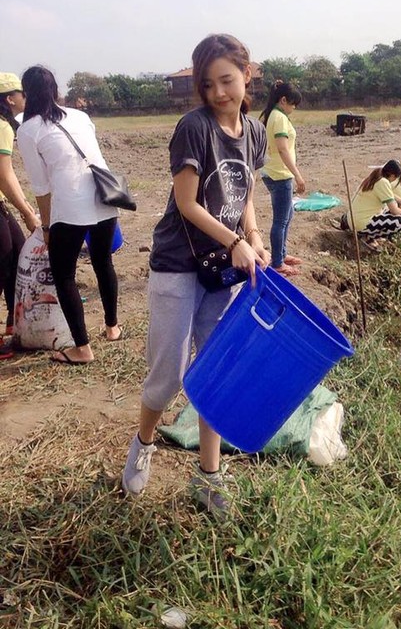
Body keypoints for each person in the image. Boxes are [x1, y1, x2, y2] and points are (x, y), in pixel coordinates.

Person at [121, 34, 269, 519]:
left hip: (221, 268)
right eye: (209, 84)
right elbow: (187, 204)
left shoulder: (254, 132)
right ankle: (144, 441)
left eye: (227, 80)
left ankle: (208, 476)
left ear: (247, 75)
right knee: (167, 377)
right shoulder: (194, 128)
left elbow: (243, 190)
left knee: (215, 371)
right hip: (178, 264)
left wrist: (253, 234)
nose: (219, 92)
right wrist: (235, 242)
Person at [16, 66, 122, 365]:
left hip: (71, 206)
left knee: (64, 275)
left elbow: (41, 185)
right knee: (103, 261)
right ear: (55, 90)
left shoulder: (28, 129)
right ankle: (112, 327)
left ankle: (82, 348)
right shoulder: (80, 116)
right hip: (104, 197)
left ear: (27, 94)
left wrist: (47, 227)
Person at [0, 73, 40, 358]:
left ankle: (14, 327)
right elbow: (4, 175)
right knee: (3, 264)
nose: (26, 98)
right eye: (21, 93)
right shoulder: (3, 126)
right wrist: (27, 211)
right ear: (10, 99)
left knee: (16, 254)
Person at [259, 80, 305, 276]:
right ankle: (277, 262)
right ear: (283, 100)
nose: (293, 108)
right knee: (280, 220)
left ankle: (281, 253)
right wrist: (298, 176)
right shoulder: (278, 117)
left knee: (287, 216)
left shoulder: (276, 115)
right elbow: (282, 148)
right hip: (280, 175)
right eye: (293, 104)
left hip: (276, 172)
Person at [339, 159, 401, 250]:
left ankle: (354, 226)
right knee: (400, 221)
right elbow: (394, 210)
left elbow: (390, 195)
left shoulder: (376, 176)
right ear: (393, 175)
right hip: (360, 223)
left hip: (353, 218)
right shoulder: (383, 182)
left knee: (388, 210)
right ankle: (368, 236)